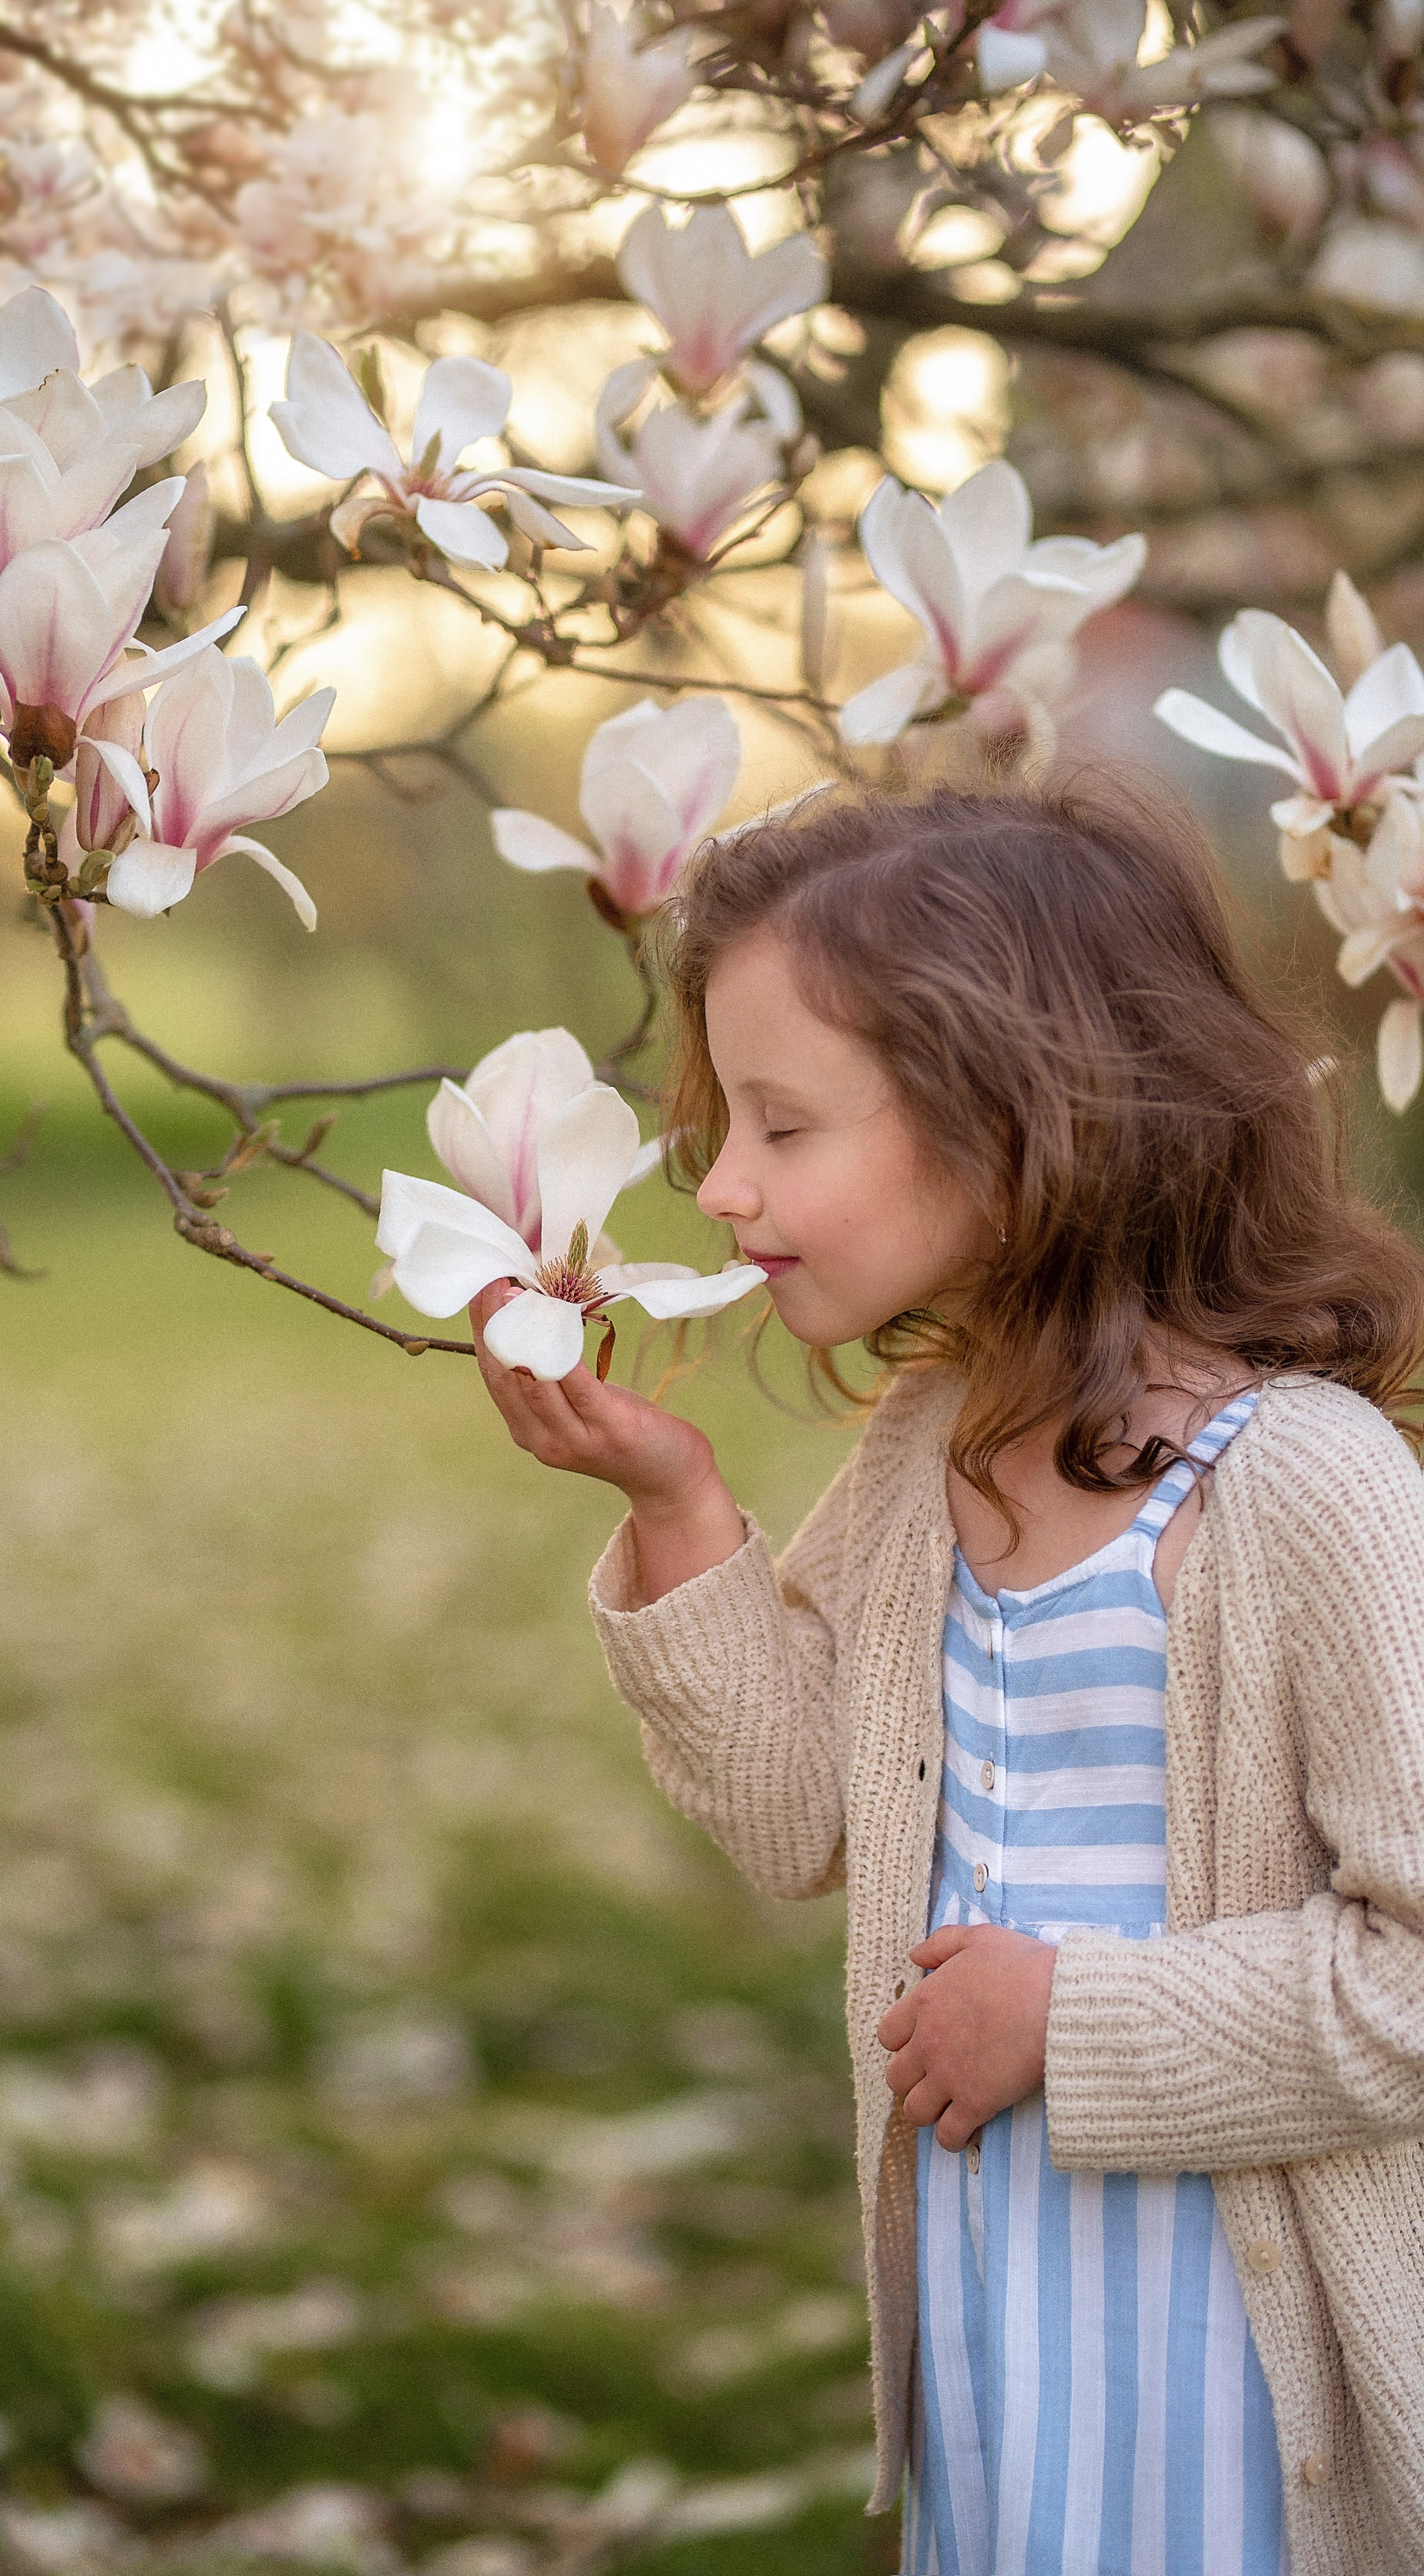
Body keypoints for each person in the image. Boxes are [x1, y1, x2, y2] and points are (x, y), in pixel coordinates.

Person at [466, 782, 1424, 2576]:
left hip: (1225, 2367)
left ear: (1014, 1124)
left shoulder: (1307, 1487)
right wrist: (675, 1503)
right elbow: (794, 1811)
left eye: (780, 1123)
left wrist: (1070, 2019)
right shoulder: (932, 1450)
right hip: (1001, 2319)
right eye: (717, 1124)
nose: (723, 1184)